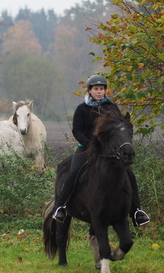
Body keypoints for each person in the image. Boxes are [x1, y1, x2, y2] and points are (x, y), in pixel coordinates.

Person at [52, 74, 150, 227]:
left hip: (108, 150)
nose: (99, 91)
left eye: (101, 89)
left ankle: (137, 211)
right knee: (75, 170)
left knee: (129, 173)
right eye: (96, 89)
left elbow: (117, 129)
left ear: (105, 90)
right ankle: (61, 206)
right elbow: (76, 130)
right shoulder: (81, 109)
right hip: (86, 148)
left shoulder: (111, 107)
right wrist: (88, 143)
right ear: (90, 90)